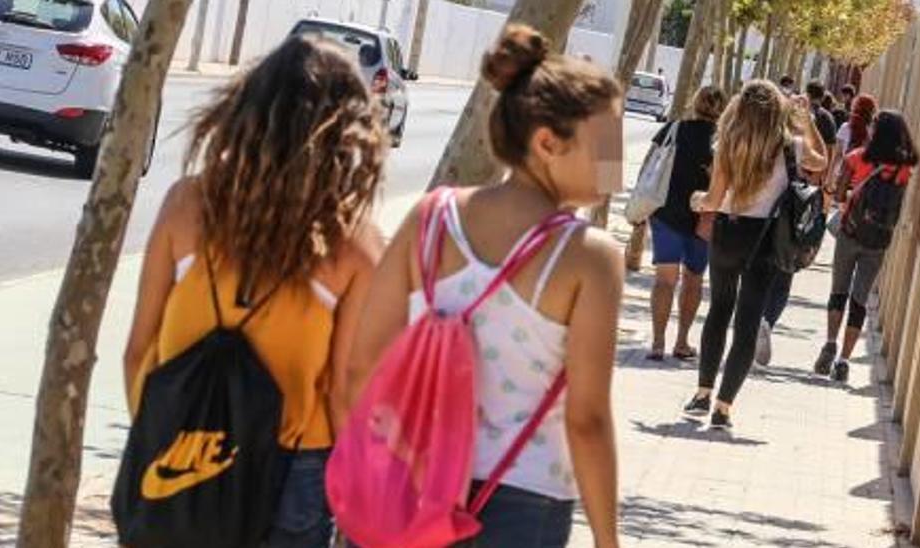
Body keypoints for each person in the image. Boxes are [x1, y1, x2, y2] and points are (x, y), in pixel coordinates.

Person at [344, 25, 624, 548]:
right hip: (524, 505)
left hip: (410, 487)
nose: (617, 157)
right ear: (547, 143)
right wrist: (609, 540)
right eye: (607, 139)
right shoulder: (589, 258)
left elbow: (362, 363)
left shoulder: (430, 218)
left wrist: (378, 463)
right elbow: (586, 420)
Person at [122, 35, 387, 546]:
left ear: (244, 111)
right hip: (293, 470)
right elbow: (342, 389)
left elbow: (139, 351)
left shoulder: (185, 206)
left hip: (179, 453)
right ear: (348, 132)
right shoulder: (353, 245)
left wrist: (164, 435)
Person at [684, 80, 825, 430]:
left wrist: (697, 201)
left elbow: (713, 201)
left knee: (719, 309)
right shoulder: (790, 146)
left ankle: (702, 392)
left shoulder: (727, 144)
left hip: (729, 233)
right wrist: (806, 121)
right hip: (765, 238)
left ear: (740, 108)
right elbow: (821, 162)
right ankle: (724, 407)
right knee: (748, 322)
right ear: (777, 111)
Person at [815, 110, 919, 382]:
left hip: (850, 234)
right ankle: (844, 360)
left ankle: (829, 342)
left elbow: (838, 195)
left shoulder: (856, 157)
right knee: (859, 300)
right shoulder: (904, 169)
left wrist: (849, 196)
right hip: (878, 241)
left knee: (838, 291)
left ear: (877, 130)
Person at [755, 82, 838, 365]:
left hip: (756, 216)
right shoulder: (799, 144)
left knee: (756, 277)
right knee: (782, 277)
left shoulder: (762, 137)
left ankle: (752, 323)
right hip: (789, 217)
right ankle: (766, 322)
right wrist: (810, 124)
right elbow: (822, 163)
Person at [646, 86, 728, 362]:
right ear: (722, 109)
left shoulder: (673, 129)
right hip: (704, 217)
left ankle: (658, 342)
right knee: (694, 279)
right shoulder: (724, 140)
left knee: (664, 280)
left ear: (695, 102)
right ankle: (681, 341)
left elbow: (650, 166)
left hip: (666, 213)